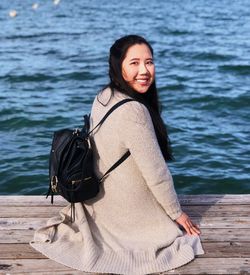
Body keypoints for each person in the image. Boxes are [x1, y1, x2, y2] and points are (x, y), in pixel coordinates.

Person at [30, 35, 204, 274]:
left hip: (99, 198)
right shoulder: (134, 111)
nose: (144, 70)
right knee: (171, 236)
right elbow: (156, 173)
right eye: (134, 63)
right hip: (125, 209)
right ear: (117, 65)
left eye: (149, 62)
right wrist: (177, 213)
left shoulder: (104, 95)